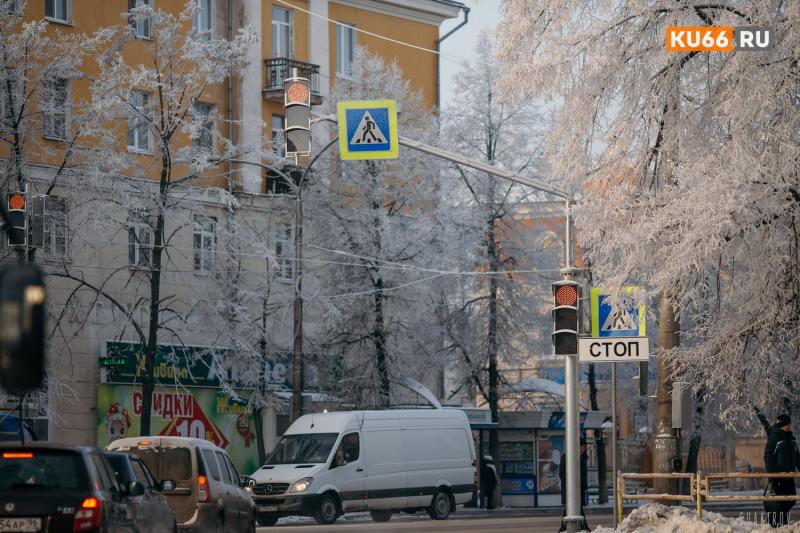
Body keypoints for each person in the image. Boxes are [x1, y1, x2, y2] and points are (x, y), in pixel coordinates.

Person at [763, 414, 800, 527]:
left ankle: (779, 523)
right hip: (778, 476)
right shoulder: (774, 438)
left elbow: (797, 456)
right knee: (778, 501)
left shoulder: (792, 439)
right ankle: (776, 525)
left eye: (789, 424)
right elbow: (768, 457)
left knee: (791, 499)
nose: (789, 425)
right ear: (782, 425)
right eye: (787, 424)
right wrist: (772, 476)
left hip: (789, 475)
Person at [559, 438, 589, 532]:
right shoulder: (566, 457)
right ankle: (585, 527)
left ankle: (563, 528)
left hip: (579, 489)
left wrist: (584, 486)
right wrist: (572, 481)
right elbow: (561, 474)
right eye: (581, 447)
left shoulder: (583, 458)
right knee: (573, 507)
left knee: (572, 508)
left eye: (584, 447)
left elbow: (583, 475)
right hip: (570, 489)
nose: (583, 449)